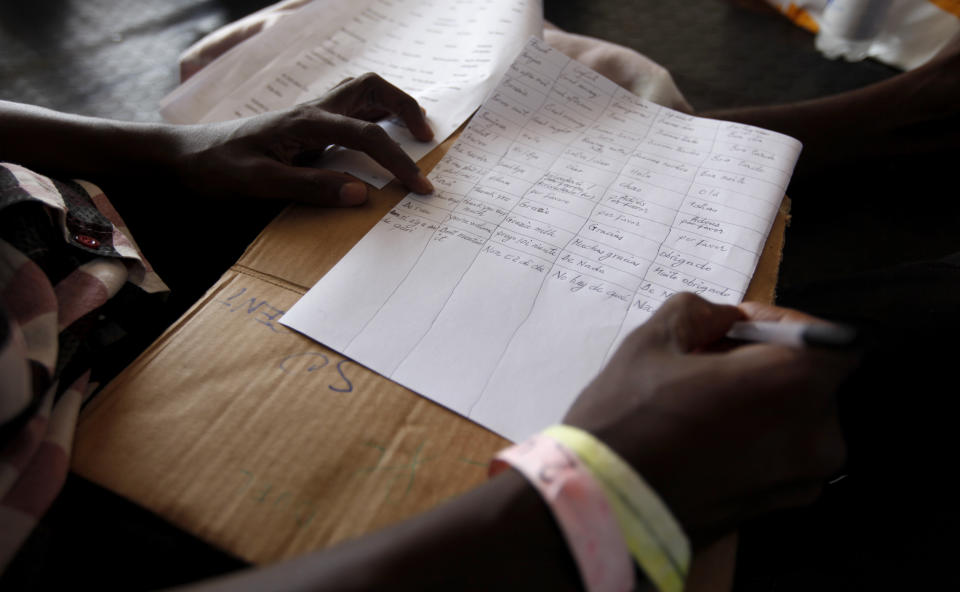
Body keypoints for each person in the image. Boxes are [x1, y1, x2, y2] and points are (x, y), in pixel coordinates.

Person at [0, 69, 857, 589]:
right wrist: (587, 508)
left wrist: (169, 150)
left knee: (502, 149)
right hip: (79, 507)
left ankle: (843, 135)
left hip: (90, 239)